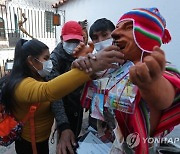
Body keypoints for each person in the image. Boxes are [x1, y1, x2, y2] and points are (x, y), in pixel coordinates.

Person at [72, 7, 180, 153]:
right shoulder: (116, 66)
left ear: (147, 35)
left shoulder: (160, 68)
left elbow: (166, 97)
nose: (115, 34)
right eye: (117, 28)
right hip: (117, 145)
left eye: (128, 28)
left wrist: (151, 86)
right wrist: (84, 63)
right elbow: (96, 84)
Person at [1, 38, 124, 154]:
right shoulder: (20, 86)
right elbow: (49, 91)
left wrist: (78, 65)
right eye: (46, 58)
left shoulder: (40, 76)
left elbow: (59, 88)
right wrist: (91, 66)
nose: (50, 62)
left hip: (43, 140)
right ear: (31, 61)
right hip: (29, 144)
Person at [46, 20, 86, 154]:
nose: (73, 44)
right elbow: (55, 95)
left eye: (76, 41)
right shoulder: (54, 60)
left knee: (75, 141)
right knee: (65, 143)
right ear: (61, 39)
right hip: (63, 110)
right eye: (70, 41)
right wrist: (63, 125)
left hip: (78, 107)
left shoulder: (82, 53)